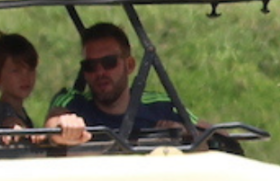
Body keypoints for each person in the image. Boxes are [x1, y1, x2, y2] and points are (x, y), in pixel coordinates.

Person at [49, 23, 193, 141]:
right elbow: (51, 126)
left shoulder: (160, 105)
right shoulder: (74, 103)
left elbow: (210, 134)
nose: (100, 73)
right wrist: (65, 126)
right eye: (90, 66)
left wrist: (185, 133)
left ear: (129, 65)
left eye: (109, 63)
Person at [0, 32, 90, 146]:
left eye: (31, 70)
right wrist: (26, 132)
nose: (25, 77)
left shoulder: (20, 111)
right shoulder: (1, 109)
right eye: (16, 71)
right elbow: (11, 123)